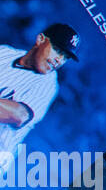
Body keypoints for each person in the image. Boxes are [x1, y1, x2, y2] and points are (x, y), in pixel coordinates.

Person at [0, 24, 80, 162]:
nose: (59, 60)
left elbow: (19, 115)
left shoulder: (48, 85)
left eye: (65, 57)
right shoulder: (4, 53)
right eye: (56, 50)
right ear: (40, 39)